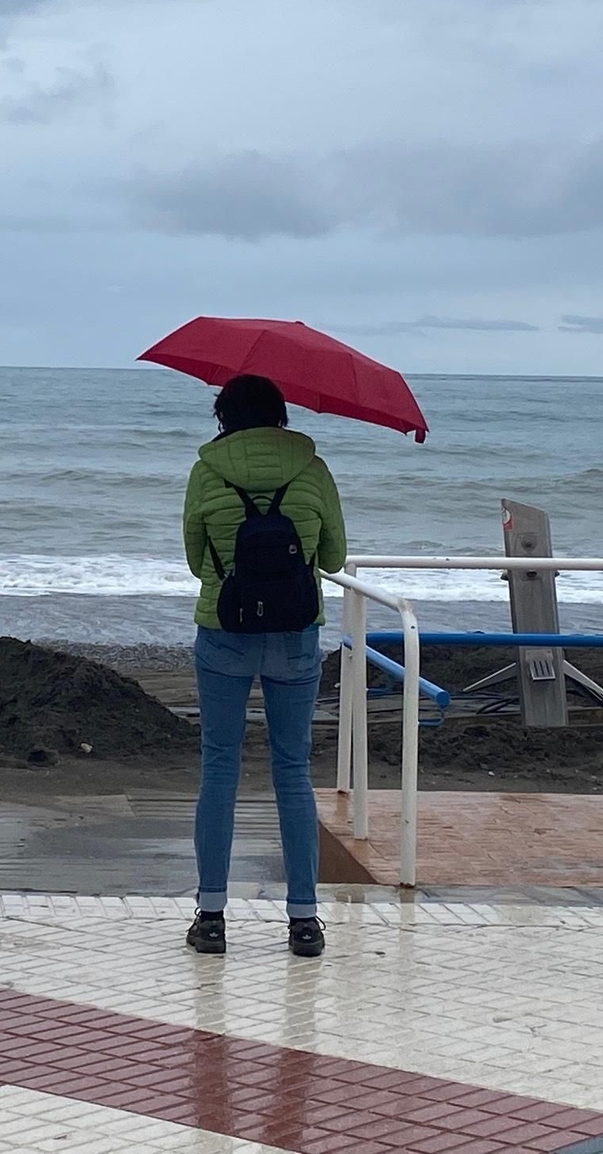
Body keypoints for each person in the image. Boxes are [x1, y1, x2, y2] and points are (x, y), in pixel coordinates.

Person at [181, 374, 346, 957]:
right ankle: (303, 920)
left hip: (225, 630)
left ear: (223, 416)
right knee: (293, 772)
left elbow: (197, 560)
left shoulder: (207, 471)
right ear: (281, 414)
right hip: (296, 633)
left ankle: (212, 918)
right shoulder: (313, 468)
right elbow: (334, 557)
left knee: (219, 768)